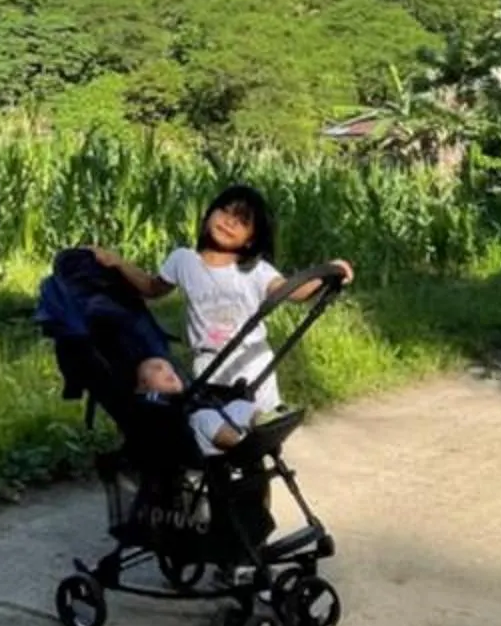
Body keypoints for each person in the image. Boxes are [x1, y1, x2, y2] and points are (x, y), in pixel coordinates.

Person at [88, 184, 353, 454]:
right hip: (209, 367)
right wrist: (117, 263)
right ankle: (230, 462)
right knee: (216, 434)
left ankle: (252, 467)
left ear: (250, 240)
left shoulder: (256, 270)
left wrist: (328, 272)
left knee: (257, 432)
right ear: (209, 215)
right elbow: (151, 287)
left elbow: (291, 291)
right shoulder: (184, 261)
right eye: (225, 211)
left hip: (253, 365)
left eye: (242, 221)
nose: (230, 222)